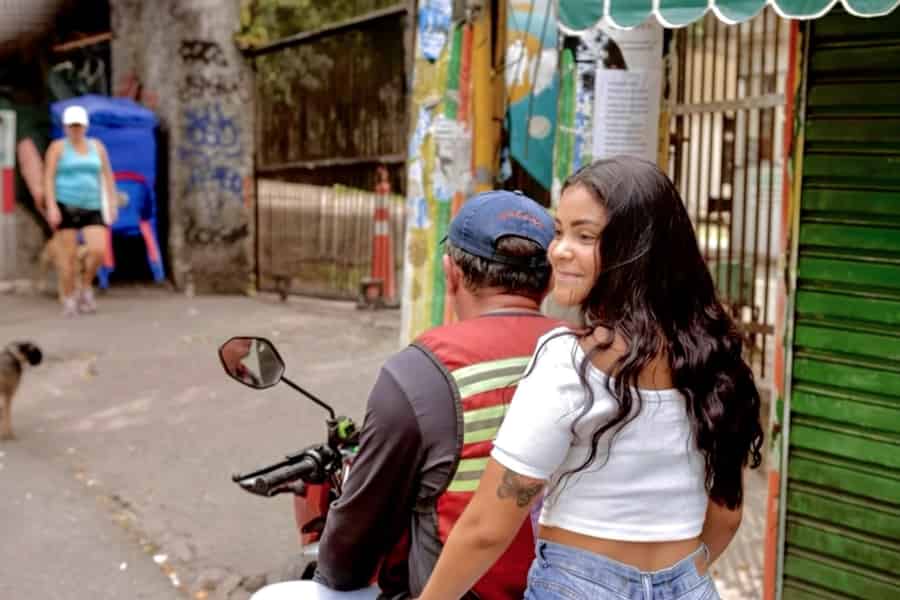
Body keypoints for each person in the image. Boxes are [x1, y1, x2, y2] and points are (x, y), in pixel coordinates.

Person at [418, 157, 764, 600]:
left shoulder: (569, 362)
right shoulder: (717, 361)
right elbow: (727, 518)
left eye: (585, 236)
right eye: (559, 231)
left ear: (636, 250)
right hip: (689, 585)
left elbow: (487, 528)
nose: (559, 250)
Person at [251, 190, 563, 600]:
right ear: (551, 278)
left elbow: (357, 534)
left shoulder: (421, 373)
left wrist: (335, 573)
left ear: (451, 273)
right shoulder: (588, 355)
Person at [43, 104, 117, 316]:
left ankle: (85, 286)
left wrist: (111, 202)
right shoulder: (57, 148)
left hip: (92, 205)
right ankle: (68, 296)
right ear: (66, 127)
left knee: (98, 250)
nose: (76, 130)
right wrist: (52, 206)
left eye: (79, 126)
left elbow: (107, 176)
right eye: (72, 126)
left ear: (85, 127)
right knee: (68, 258)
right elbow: (49, 177)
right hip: (66, 204)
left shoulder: (97, 147)